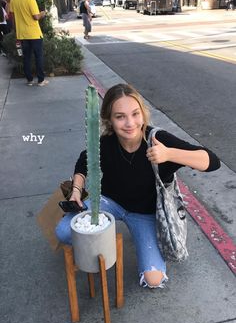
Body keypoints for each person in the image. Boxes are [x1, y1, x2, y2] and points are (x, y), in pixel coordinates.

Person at [55, 84, 221, 289]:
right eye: (120, 116)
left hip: (145, 213)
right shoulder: (107, 142)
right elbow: (84, 161)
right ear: (109, 120)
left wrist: (169, 154)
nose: (129, 123)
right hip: (109, 202)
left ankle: (134, 240)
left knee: (154, 279)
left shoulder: (158, 140)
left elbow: (212, 161)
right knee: (63, 231)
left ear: (143, 113)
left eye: (135, 114)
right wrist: (77, 191)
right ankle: (104, 240)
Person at [10, 0, 48, 86]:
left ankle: (29, 80)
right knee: (38, 57)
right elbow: (35, 17)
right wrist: (42, 13)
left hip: (22, 34)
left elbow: (12, 15)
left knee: (26, 57)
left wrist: (15, 29)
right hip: (34, 33)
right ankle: (41, 80)